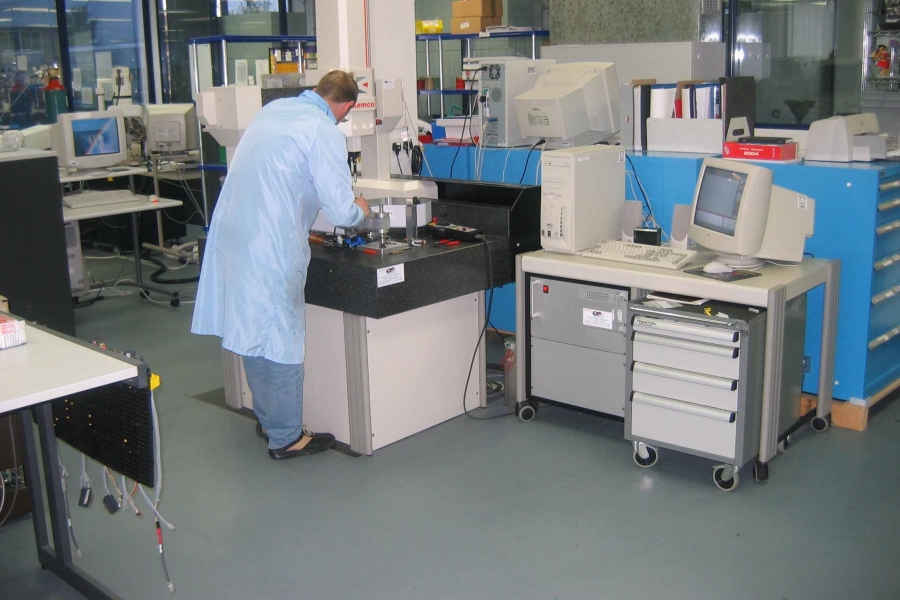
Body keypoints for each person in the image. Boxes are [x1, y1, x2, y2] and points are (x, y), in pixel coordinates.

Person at [192, 70, 370, 460]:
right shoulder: (324, 130)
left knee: (252, 329)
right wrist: (362, 211)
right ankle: (287, 437)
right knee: (282, 337)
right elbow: (341, 212)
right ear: (346, 106)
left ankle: (269, 419)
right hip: (270, 245)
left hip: (235, 235)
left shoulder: (272, 111)